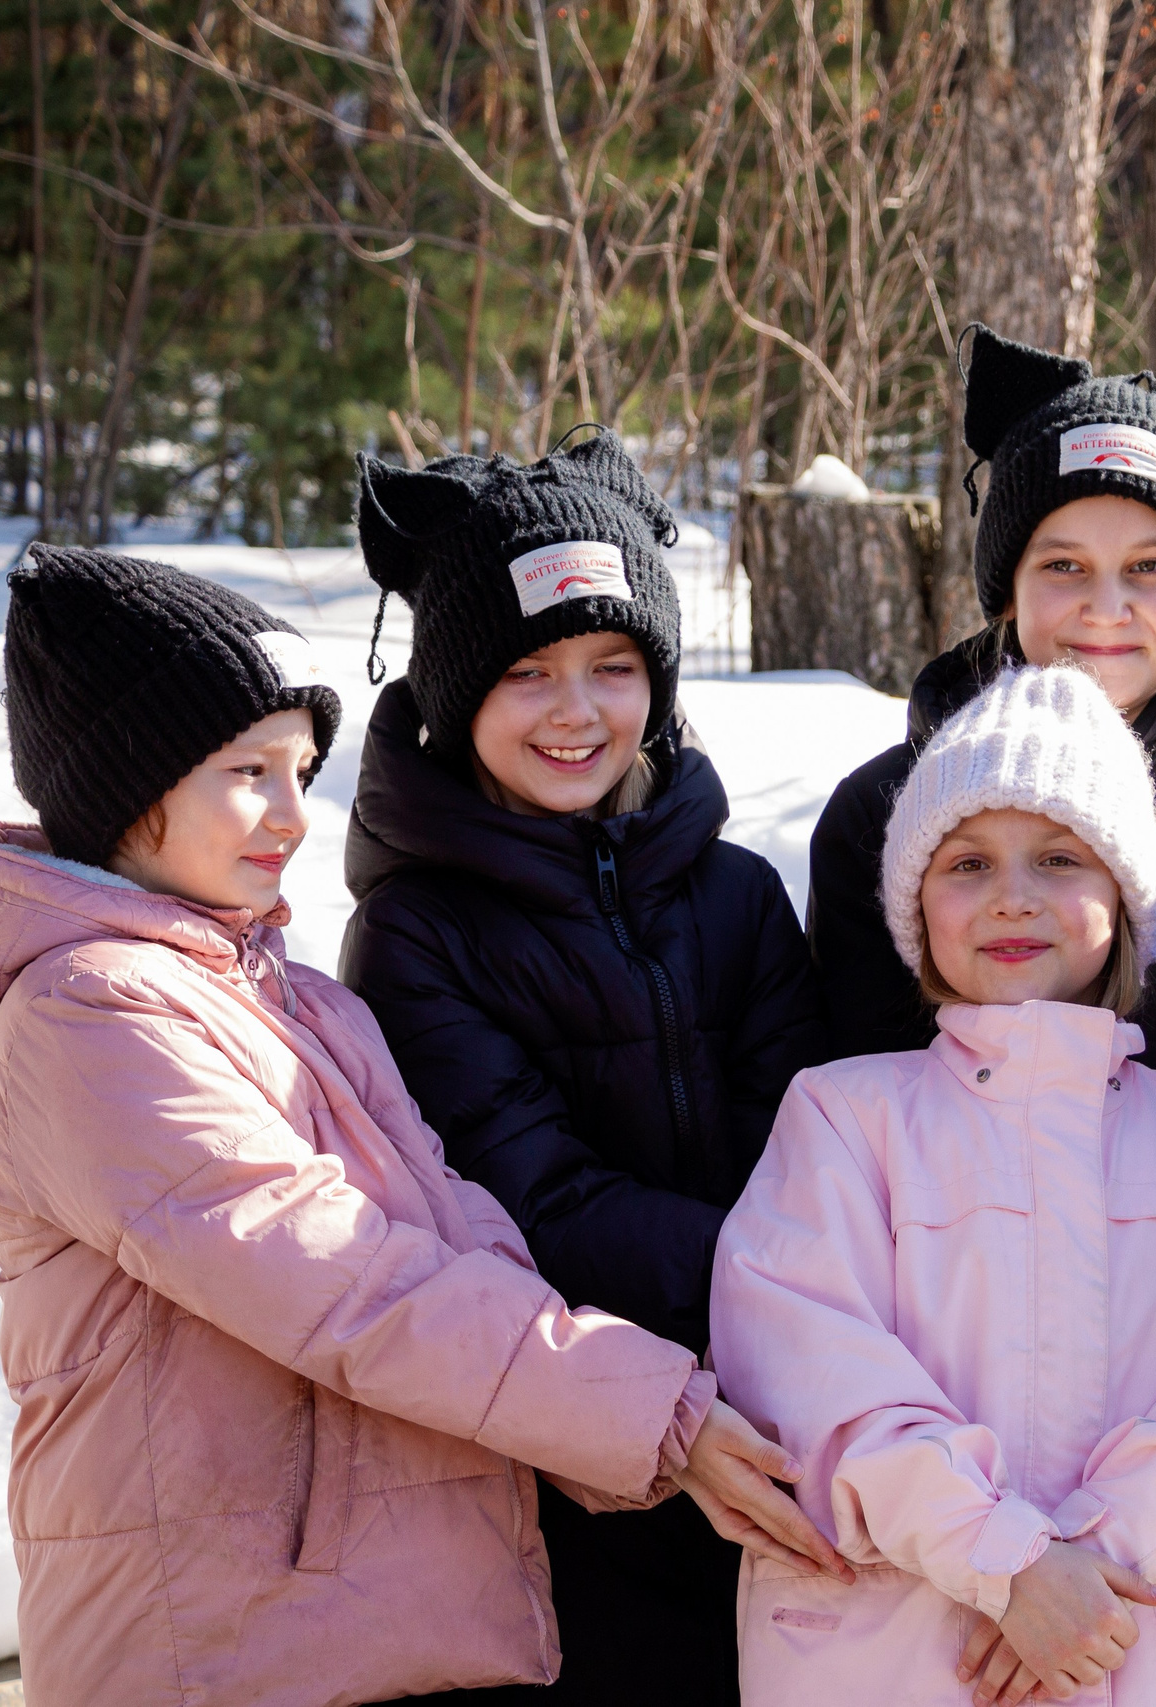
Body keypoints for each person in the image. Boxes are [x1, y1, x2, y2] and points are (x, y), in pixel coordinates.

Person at [0, 545, 843, 1707]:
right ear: (126, 784)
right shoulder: (90, 1017)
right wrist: (658, 1414)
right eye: (249, 772)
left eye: (301, 770)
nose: (294, 816)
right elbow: (358, 1287)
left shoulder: (291, 1001)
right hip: (216, 1642)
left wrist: (661, 1400)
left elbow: (464, 1238)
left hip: (353, 1620)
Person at [712, 665, 1156, 1707]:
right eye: (967, 863)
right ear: (915, 905)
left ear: (1125, 895)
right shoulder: (844, 1117)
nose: (1011, 895)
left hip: (1147, 1646)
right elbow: (808, 1370)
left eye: (1059, 857)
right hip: (888, 1661)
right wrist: (1007, 1560)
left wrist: (1088, 1564)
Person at [338, 432, 829, 1706]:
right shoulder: (416, 935)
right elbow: (528, 1199)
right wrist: (781, 1276)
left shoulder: (735, 891)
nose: (577, 711)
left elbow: (815, 1132)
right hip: (576, 1451)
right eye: (528, 673)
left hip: (787, 1414)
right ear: (458, 697)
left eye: (615, 667)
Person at [806, 324, 1156, 1113]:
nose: (1105, 607)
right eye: (1063, 565)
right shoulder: (879, 816)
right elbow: (862, 1101)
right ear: (1007, 589)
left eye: (1149, 566)